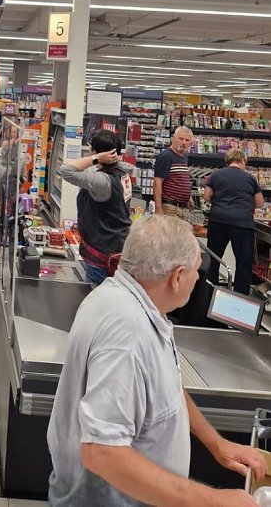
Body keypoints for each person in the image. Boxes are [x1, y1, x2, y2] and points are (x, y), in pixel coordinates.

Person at [47, 213, 265, 507]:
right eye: (195, 271)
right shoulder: (127, 334)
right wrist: (215, 500)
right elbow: (102, 452)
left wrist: (217, 444)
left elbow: (167, 389)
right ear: (176, 277)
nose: (198, 278)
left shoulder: (132, 302)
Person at [59, 129, 133, 285]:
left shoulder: (102, 181)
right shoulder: (121, 173)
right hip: (115, 245)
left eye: (91, 149)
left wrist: (95, 158)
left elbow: (66, 170)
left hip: (100, 256)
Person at [203, 148, 264, 295]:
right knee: (243, 263)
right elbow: (260, 203)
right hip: (242, 224)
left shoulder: (216, 175)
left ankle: (208, 293)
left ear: (227, 161)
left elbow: (206, 196)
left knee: (213, 258)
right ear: (243, 161)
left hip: (218, 220)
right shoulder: (250, 178)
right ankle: (239, 298)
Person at [154, 126, 194, 217]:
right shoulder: (166, 156)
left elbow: (180, 179)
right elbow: (157, 182)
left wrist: (188, 198)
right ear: (173, 138)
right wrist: (158, 208)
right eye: (181, 139)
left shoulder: (184, 156)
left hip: (181, 208)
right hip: (170, 208)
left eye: (187, 140)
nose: (184, 142)